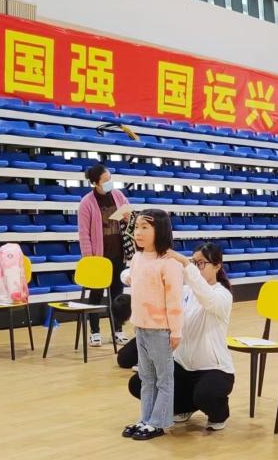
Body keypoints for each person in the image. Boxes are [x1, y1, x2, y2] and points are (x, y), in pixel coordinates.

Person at [121, 243, 236, 431]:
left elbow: (206, 297)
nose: (196, 267)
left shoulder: (222, 295)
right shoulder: (184, 291)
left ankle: (219, 414)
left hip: (213, 369)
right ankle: (184, 408)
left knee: (206, 395)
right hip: (182, 365)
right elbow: (128, 275)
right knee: (138, 383)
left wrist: (186, 264)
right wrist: (137, 275)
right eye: (194, 262)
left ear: (217, 266)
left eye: (201, 263)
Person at [120, 210, 184, 441]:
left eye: (145, 227)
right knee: (146, 377)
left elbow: (174, 301)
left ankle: (158, 422)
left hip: (160, 329)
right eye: (137, 227)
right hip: (141, 327)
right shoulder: (137, 259)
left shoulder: (169, 263)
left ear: (160, 230)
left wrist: (175, 331)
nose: (138, 232)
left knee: (163, 379)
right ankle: (145, 418)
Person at [78, 163, 131, 348]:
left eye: (110, 179)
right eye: (106, 180)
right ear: (95, 183)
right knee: (96, 295)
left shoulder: (118, 195)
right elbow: (84, 233)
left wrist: (128, 217)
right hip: (98, 258)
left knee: (118, 295)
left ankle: (117, 330)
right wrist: (90, 259)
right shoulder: (86, 202)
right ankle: (94, 332)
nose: (110, 183)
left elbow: (130, 216)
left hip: (119, 253)